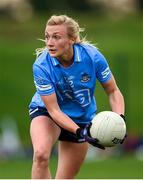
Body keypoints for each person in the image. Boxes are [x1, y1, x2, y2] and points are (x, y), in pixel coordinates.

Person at [29, 14, 125, 179]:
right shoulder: (41, 66)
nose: (49, 42)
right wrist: (80, 132)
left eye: (56, 37)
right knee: (41, 154)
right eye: (47, 37)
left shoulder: (93, 57)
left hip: (81, 117)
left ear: (72, 39)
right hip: (48, 113)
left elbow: (113, 91)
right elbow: (54, 110)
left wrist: (119, 120)